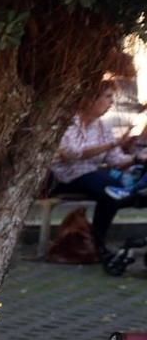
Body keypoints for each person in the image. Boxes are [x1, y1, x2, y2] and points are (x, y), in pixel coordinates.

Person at [51, 81, 147, 253]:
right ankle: (98, 243)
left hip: (92, 173)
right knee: (110, 187)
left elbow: (116, 160)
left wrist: (136, 158)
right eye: (108, 97)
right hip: (66, 176)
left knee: (117, 187)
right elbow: (71, 154)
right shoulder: (68, 122)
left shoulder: (103, 126)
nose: (111, 102)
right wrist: (112, 144)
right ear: (90, 99)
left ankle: (96, 241)